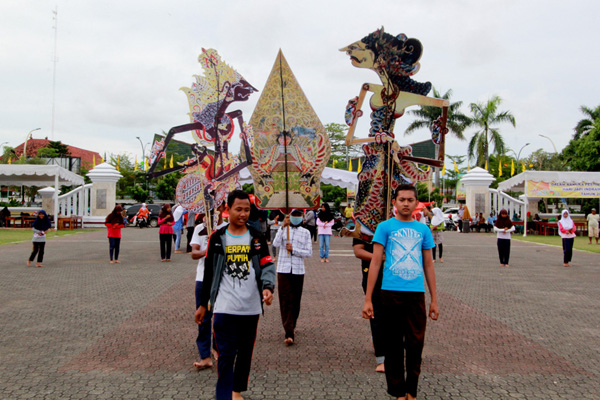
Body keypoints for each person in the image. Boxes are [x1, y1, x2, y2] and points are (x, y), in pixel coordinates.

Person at [195, 189, 275, 400]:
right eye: (238, 209)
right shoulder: (218, 238)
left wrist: (268, 287)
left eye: (247, 210)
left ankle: (236, 390)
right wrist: (203, 304)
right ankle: (224, 395)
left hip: (250, 307)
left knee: (245, 353)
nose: (243, 214)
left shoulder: (256, 236)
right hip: (224, 306)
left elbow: (266, 264)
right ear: (227, 210)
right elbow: (209, 273)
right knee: (226, 354)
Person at [363, 184, 438, 400]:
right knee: (393, 345)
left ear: (416, 203)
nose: (406, 203)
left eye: (410, 200)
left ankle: (411, 391)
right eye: (402, 199)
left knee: (415, 344)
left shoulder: (423, 230)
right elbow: (376, 263)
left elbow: (429, 265)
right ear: (394, 202)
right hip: (389, 293)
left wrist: (434, 300)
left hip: (415, 294)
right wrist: (368, 299)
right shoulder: (384, 228)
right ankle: (397, 391)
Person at [272, 210, 312, 345]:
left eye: (298, 216)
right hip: (283, 269)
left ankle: (292, 324)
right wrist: (282, 227)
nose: (295, 218)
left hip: (298, 270)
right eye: (293, 216)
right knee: (284, 300)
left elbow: (309, 253)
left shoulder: (305, 232)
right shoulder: (283, 229)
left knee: (295, 300)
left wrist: (294, 250)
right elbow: (275, 244)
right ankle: (288, 332)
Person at [353, 236, 385, 373]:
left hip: (394, 275)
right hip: (372, 274)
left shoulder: (394, 222)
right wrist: (379, 257)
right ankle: (382, 358)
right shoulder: (364, 225)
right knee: (376, 314)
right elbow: (358, 251)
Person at [190, 213, 212, 370]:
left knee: (222, 318)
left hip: (222, 279)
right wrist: (207, 250)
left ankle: (220, 349)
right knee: (204, 319)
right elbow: (194, 253)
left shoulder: (226, 228)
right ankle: (205, 355)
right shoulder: (199, 228)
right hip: (203, 279)